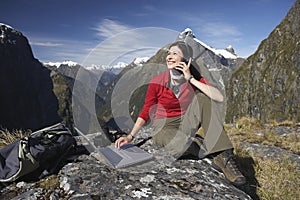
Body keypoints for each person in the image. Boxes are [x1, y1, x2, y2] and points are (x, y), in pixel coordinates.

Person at [115, 41, 246, 186]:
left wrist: (191, 79)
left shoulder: (193, 77)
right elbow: (146, 110)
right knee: (176, 144)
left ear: (186, 60)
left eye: (175, 53)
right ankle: (200, 144)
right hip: (164, 125)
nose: (170, 57)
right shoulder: (157, 82)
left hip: (186, 120)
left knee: (203, 98)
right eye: (169, 53)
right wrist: (130, 136)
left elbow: (219, 98)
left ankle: (223, 157)